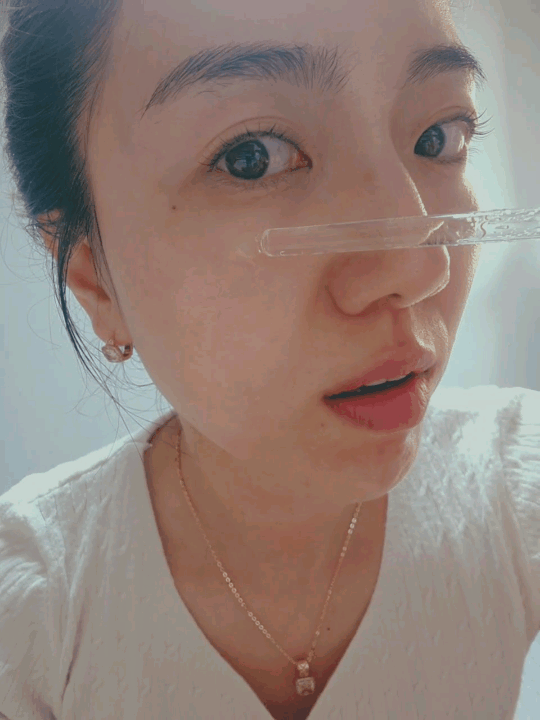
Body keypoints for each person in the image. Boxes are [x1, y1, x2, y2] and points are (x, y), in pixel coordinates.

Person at [0, 0, 538, 718]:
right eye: (251, 158)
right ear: (93, 274)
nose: (419, 268)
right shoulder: (32, 605)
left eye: (437, 137)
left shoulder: (515, 485)